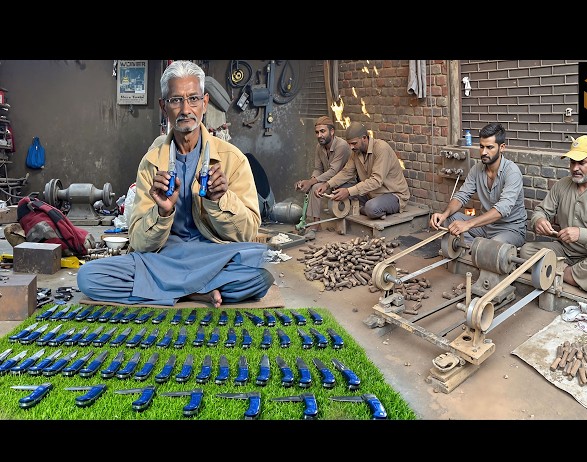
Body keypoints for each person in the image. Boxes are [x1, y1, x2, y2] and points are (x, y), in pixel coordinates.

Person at [77, 60, 274, 307]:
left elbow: (247, 233)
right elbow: (138, 241)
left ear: (204, 102)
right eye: (175, 100)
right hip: (163, 259)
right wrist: (162, 211)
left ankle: (170, 291)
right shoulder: (151, 162)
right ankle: (196, 293)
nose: (185, 109)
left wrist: (220, 201)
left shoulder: (233, 160)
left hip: (212, 255)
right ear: (163, 106)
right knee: (89, 277)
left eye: (193, 99)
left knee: (259, 274)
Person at [519, 134, 587, 299]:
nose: (575, 168)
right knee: (527, 251)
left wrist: (581, 234)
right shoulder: (562, 185)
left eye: (582, 162)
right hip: (566, 251)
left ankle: (561, 272)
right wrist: (539, 220)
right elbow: (541, 210)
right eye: (572, 162)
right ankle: (583, 281)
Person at [429, 122, 527, 247]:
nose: (484, 152)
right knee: (451, 219)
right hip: (485, 227)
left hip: (510, 230)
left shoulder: (512, 172)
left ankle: (480, 250)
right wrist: (444, 214)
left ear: (502, 147)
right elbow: (462, 196)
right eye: (481, 146)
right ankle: (474, 250)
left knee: (493, 245)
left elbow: (502, 209)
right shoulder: (477, 169)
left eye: (489, 147)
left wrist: (468, 224)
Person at [314, 122, 410, 219]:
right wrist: (327, 185)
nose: (351, 147)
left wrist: (348, 191)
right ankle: (369, 209)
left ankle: (366, 209)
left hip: (392, 194)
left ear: (364, 138)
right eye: (349, 144)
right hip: (370, 193)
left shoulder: (381, 149)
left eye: (354, 143)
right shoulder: (356, 152)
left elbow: (376, 181)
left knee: (371, 208)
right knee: (338, 190)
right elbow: (346, 172)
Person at [294, 115, 352, 240]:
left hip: (346, 183)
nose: (319, 135)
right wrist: (309, 181)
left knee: (314, 184)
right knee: (315, 186)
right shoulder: (319, 147)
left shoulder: (341, 146)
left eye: (322, 131)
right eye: (317, 132)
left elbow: (333, 171)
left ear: (332, 132)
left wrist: (311, 181)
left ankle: (315, 224)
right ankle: (316, 224)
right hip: (330, 182)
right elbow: (318, 169)